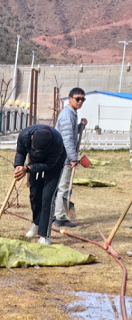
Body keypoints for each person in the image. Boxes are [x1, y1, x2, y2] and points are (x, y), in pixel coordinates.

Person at [14, 124, 66, 245]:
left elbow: (49, 165)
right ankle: (36, 223)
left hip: (54, 165)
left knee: (47, 197)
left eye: (40, 151)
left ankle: (45, 235)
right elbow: (20, 152)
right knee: (35, 194)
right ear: (32, 138)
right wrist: (18, 166)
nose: (37, 152)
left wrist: (28, 168)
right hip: (34, 162)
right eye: (35, 149)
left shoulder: (57, 141)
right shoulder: (24, 135)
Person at [53, 87, 88, 227]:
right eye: (77, 99)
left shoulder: (72, 114)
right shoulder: (67, 115)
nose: (80, 101)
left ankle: (56, 214)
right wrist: (73, 158)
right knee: (64, 188)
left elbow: (71, 132)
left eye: (83, 99)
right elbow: (67, 139)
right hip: (64, 157)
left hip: (63, 156)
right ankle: (60, 217)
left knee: (61, 187)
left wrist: (81, 126)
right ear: (70, 99)